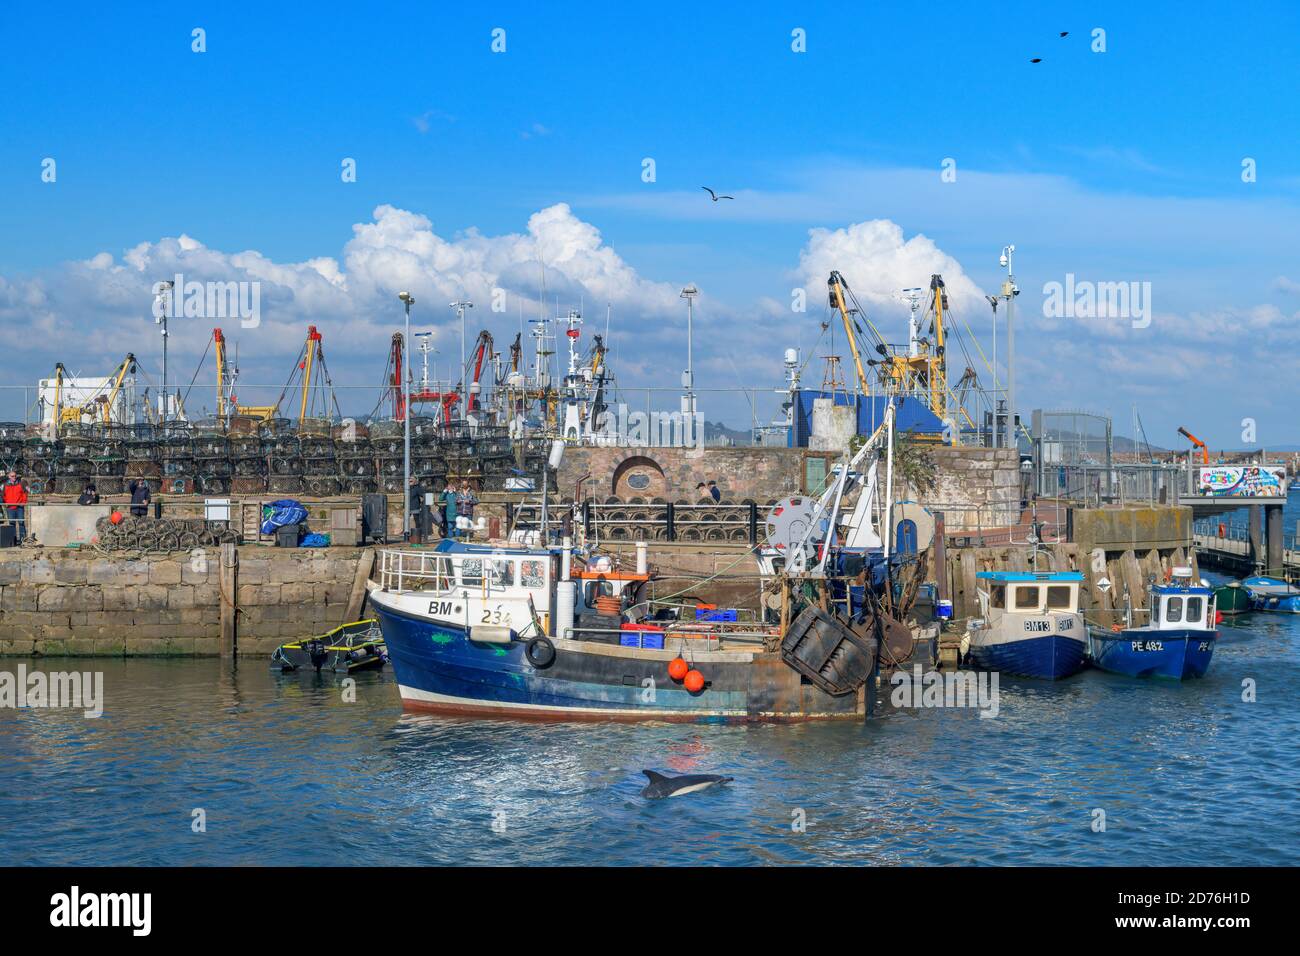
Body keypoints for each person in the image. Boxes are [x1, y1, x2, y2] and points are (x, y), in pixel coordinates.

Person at [3, 470, 28, 542]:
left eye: (15, 476)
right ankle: (13, 541)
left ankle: (22, 540)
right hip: (10, 508)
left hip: (19, 507)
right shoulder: (5, 484)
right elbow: (2, 494)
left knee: (21, 523)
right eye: (12, 476)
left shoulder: (21, 483)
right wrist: (6, 502)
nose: (14, 477)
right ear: (8, 477)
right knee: (11, 524)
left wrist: (23, 502)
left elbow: (25, 493)